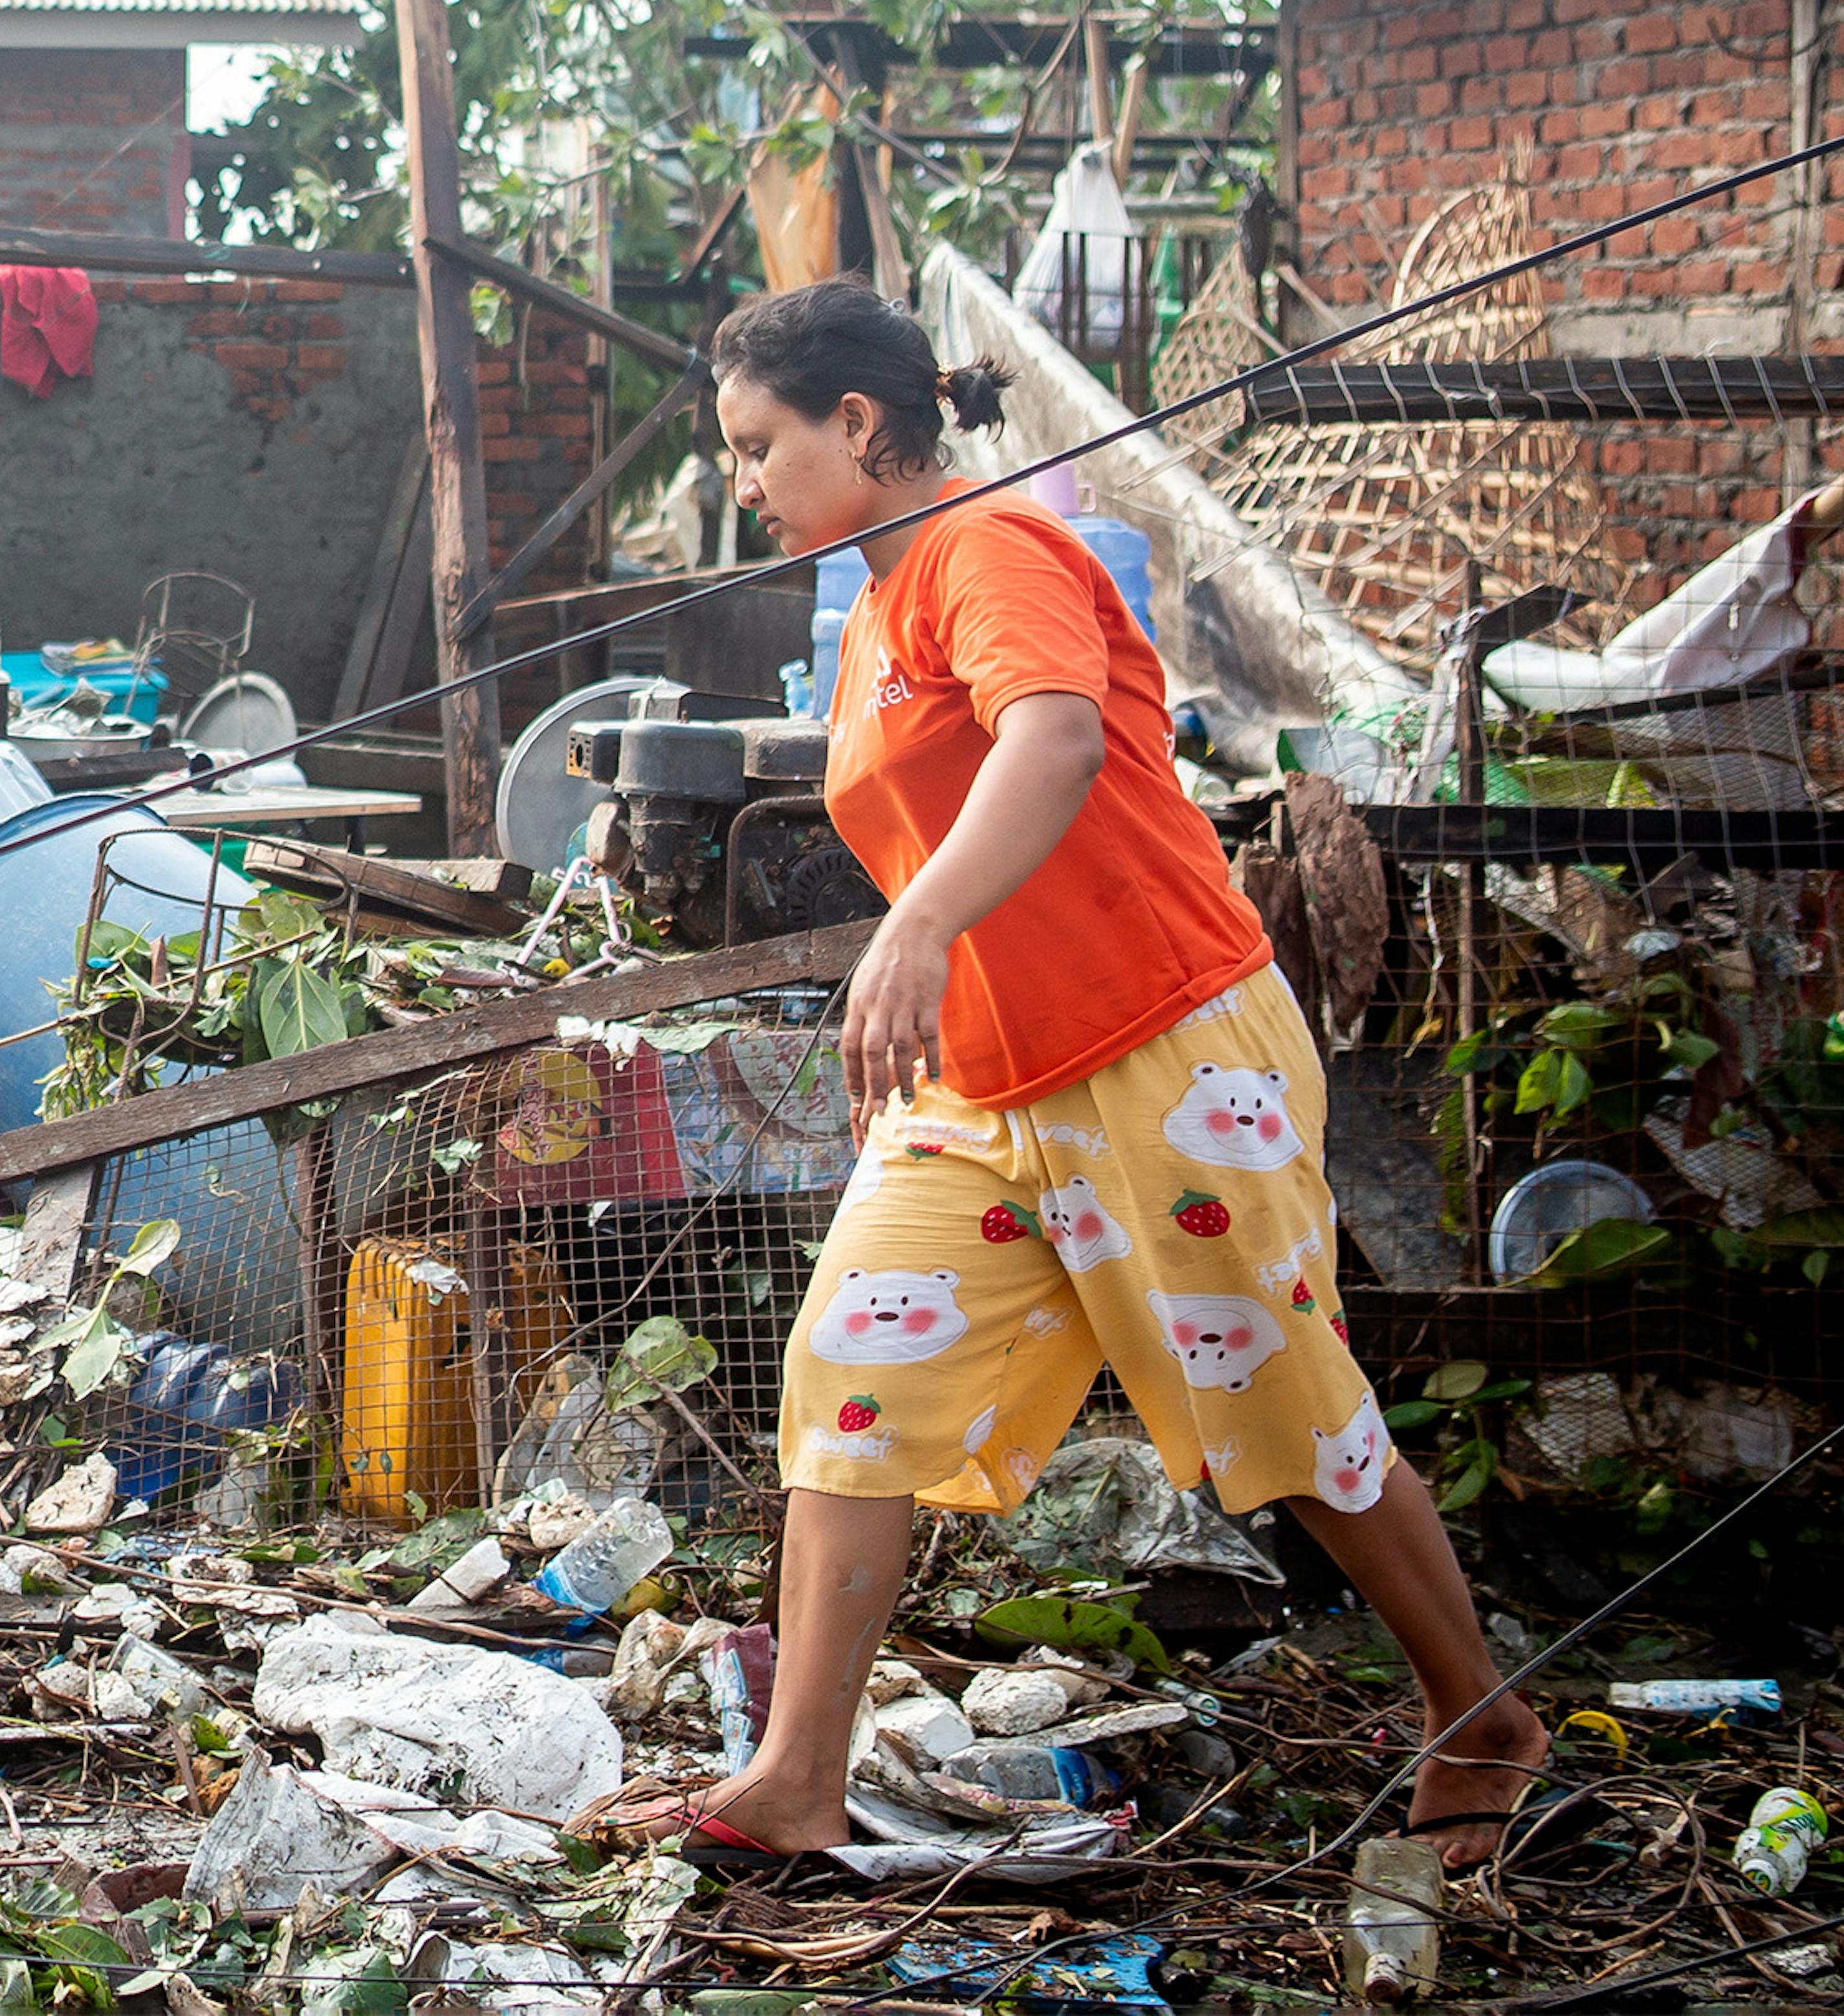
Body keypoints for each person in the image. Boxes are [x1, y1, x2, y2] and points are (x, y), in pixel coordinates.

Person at [608, 279, 1544, 1875]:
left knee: (1285, 1407)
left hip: (1163, 1053)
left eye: (759, 448)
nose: (746, 485)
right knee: (850, 1382)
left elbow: (1049, 739)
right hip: (980, 1090)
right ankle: (795, 1778)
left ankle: (1482, 1715)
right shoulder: (881, 601)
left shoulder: (992, 552)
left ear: (857, 423)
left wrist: (911, 928)